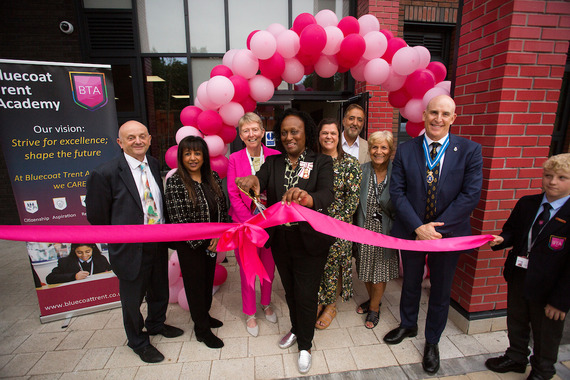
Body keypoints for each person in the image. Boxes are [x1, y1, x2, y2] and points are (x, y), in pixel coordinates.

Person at [383, 95, 483, 375]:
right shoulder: (405, 150)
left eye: (445, 114)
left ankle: (433, 341)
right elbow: (397, 192)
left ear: (454, 118)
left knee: (440, 289)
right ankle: (408, 324)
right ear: (424, 115)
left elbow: (470, 195)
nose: (438, 119)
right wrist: (418, 228)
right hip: (412, 231)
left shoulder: (470, 150)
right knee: (410, 282)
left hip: (449, 234)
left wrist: (435, 229)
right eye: (434, 113)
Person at [235, 108, 334, 374]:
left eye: (295, 131)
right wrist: (252, 180)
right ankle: (296, 328)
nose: (289, 137)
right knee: (290, 290)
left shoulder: (321, 162)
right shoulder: (274, 162)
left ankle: (305, 344)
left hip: (311, 242)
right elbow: (261, 179)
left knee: (305, 293)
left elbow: (326, 195)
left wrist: (306, 197)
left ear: (306, 134)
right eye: (284, 132)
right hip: (282, 241)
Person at [86, 120, 183, 364]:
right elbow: (97, 216)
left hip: (158, 241)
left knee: (159, 288)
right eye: (131, 138)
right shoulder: (104, 173)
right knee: (132, 298)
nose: (138, 141)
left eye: (142, 136)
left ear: (150, 139)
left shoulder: (153, 163)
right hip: (130, 247)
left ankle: (156, 324)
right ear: (120, 143)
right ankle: (137, 340)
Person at [485, 153, 570, 380]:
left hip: (551, 287)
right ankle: (516, 356)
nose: (552, 181)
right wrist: (502, 239)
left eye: (562, 177)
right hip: (520, 275)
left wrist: (560, 301)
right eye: (548, 175)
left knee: (546, 332)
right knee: (516, 319)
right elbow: (513, 231)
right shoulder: (527, 203)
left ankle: (543, 370)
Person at [165, 136, 228, 349]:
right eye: (188, 154)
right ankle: (201, 330)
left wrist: (219, 236)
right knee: (195, 285)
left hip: (213, 243)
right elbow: (178, 219)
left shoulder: (214, 177)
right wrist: (205, 240)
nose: (193, 158)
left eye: (197, 153)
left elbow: (223, 210)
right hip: (190, 246)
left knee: (207, 281)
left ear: (204, 156)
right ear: (181, 157)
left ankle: (205, 316)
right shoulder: (175, 181)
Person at [227, 113, 280, 337]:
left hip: (270, 224)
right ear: (240, 135)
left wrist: (270, 219)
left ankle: (266, 303)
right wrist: (249, 223)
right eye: (246, 131)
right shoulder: (235, 159)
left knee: (269, 268)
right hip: (245, 226)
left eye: (255, 129)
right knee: (248, 270)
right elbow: (232, 192)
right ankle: (250, 313)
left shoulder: (276, 155)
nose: (251, 134)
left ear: (262, 131)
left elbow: (279, 188)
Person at [314, 118, 361, 329]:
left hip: (339, 225)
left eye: (333, 133)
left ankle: (330, 305)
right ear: (319, 136)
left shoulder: (350, 163)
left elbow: (353, 199)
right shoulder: (311, 161)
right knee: (316, 263)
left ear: (339, 135)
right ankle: (318, 299)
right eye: (324, 133)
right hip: (313, 222)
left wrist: (335, 224)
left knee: (334, 265)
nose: (329, 137)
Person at [354, 131, 399, 329]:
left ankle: (374, 309)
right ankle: (375, 300)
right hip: (363, 229)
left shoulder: (398, 173)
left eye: (383, 147)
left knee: (379, 273)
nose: (378, 151)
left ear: (390, 150)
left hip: (385, 231)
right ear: (369, 149)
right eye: (374, 147)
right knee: (365, 271)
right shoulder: (361, 170)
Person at [46, 243, 111, 284]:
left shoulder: (101, 259)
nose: (84, 255)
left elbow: (111, 271)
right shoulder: (65, 262)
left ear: (93, 249)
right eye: (79, 253)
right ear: (74, 250)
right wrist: (74, 276)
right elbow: (50, 278)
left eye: (87, 252)